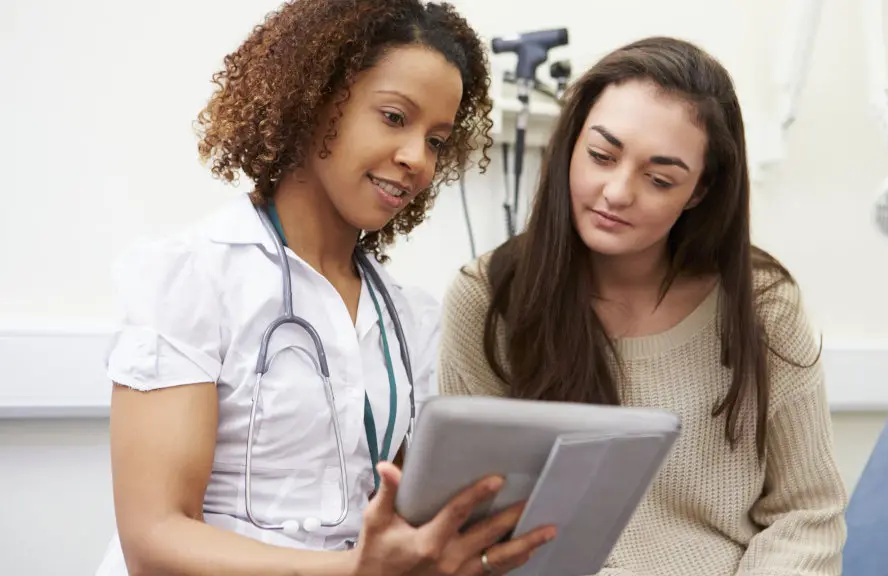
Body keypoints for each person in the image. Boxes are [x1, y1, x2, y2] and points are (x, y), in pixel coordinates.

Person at [95, 1, 556, 574]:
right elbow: (154, 539)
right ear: (313, 101)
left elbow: (398, 513)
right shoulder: (192, 279)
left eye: (437, 140)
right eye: (394, 117)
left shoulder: (409, 319)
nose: (416, 158)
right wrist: (354, 572)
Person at [438, 36, 848, 575]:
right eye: (601, 156)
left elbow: (808, 514)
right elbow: (476, 524)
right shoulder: (489, 299)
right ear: (570, 145)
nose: (616, 191)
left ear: (699, 191)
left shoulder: (764, 306)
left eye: (659, 179)